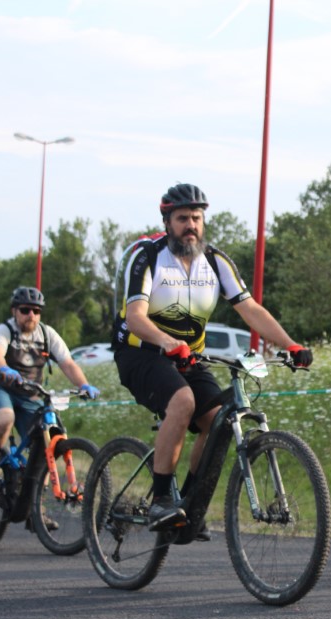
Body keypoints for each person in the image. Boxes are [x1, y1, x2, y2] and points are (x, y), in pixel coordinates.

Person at [112, 182, 312, 537]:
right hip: (140, 351)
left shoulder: (216, 262)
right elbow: (135, 317)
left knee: (218, 420)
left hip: (187, 357)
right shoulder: (148, 256)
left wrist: (291, 345)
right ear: (167, 221)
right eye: (182, 218)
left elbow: (250, 308)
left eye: (196, 218)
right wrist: (167, 342)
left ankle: (190, 505)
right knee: (183, 401)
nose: (190, 225)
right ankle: (161, 499)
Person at [0, 287, 101, 501]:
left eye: (36, 311)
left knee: (46, 443)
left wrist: (84, 385)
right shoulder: (4, 330)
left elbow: (67, 363)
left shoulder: (46, 334)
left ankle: (36, 506)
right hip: (0, 388)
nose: (31, 315)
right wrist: (5, 369)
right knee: (5, 418)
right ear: (14, 311)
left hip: (30, 394)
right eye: (25, 310)